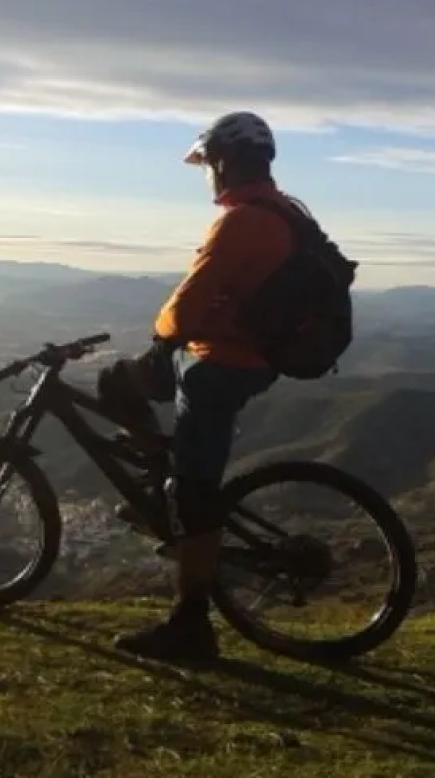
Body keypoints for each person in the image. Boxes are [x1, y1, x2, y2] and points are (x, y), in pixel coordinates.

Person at [109, 110, 301, 662]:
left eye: (208, 165)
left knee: (197, 493)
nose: (207, 177)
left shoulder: (241, 221)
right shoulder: (285, 212)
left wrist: (161, 333)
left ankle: (191, 625)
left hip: (221, 364)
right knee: (119, 382)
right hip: (254, 358)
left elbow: (190, 303)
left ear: (222, 162)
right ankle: (162, 489)